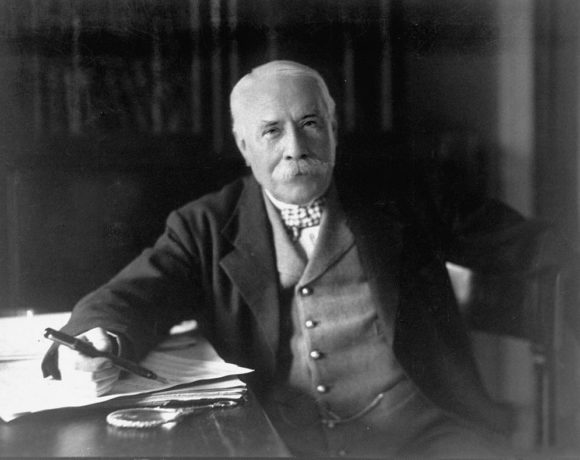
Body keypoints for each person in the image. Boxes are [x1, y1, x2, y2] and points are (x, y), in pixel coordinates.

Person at [42, 60, 551, 457]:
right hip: (285, 443)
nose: (295, 147)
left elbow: (531, 245)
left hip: (425, 436)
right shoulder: (204, 226)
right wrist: (100, 337)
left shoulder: (407, 196)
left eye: (310, 124)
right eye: (271, 132)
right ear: (244, 145)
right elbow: (132, 296)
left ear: (333, 128)